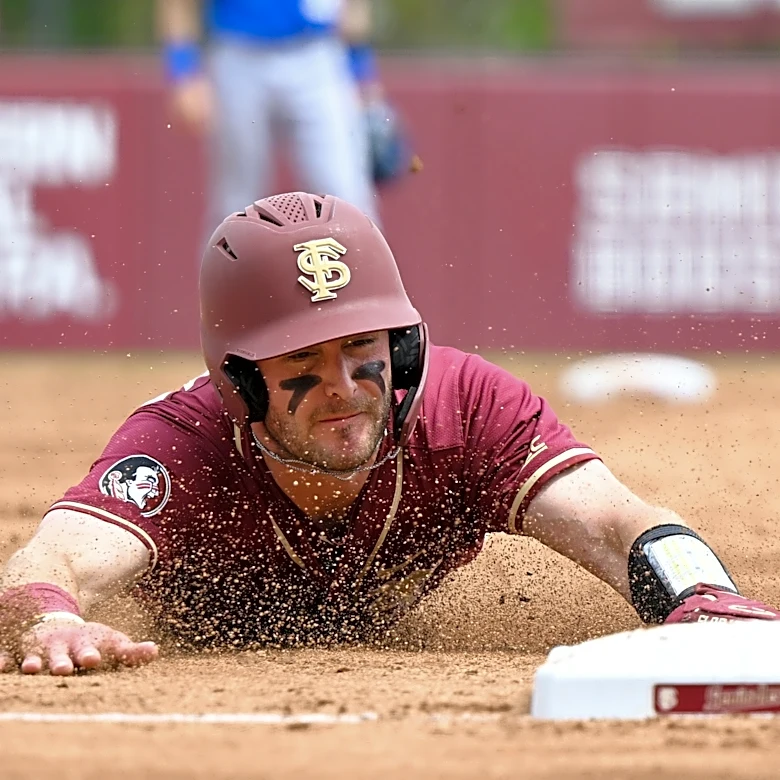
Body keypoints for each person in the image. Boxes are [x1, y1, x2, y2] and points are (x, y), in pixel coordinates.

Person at [1, 191, 779, 675]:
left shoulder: (467, 406)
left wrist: (702, 596)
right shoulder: (183, 444)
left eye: (362, 348)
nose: (342, 387)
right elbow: (50, 562)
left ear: (402, 346)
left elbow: (616, 523)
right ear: (239, 380)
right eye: (302, 358)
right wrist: (55, 620)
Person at [156, 0, 381, 229]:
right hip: (239, 52)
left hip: (318, 53)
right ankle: (229, 265)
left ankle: (364, 264)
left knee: (345, 196)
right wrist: (182, 69)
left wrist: (361, 68)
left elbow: (353, 9)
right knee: (236, 205)